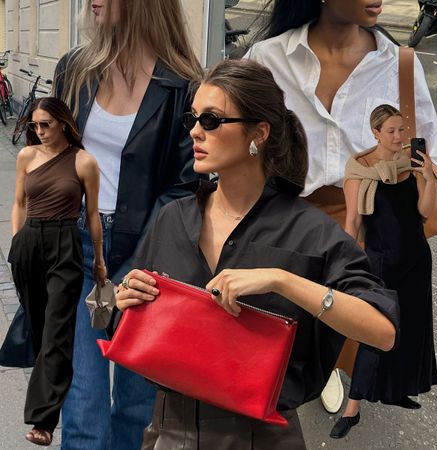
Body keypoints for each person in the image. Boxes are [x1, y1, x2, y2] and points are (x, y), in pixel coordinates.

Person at [114, 59, 398, 450]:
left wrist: (283, 280)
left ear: (258, 133)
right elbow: (127, 318)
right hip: (167, 432)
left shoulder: (308, 232)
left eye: (211, 120)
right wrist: (123, 299)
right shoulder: (173, 219)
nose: (195, 131)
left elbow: (382, 332)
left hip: (260, 438)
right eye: (192, 119)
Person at [245, 0, 437, 413]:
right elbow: (240, 142)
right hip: (288, 222)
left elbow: (433, 146)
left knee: (352, 327)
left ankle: (333, 367)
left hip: (372, 223)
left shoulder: (399, 65)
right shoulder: (268, 59)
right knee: (274, 343)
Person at [52, 1, 203, 449]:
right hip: (79, 247)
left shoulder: (184, 84)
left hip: (150, 261)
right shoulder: (74, 69)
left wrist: (135, 269)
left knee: (138, 409)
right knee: (81, 409)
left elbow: (185, 185)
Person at [329, 104, 437, 438]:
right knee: (375, 335)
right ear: (375, 133)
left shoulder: (411, 165)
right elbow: (352, 224)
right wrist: (344, 266)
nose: (398, 137)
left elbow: (425, 210)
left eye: (401, 130)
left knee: (413, 330)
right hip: (380, 265)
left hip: (416, 260)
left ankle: (397, 391)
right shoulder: (359, 171)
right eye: (390, 131)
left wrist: (428, 176)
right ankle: (353, 408)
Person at [8, 97, 106, 446]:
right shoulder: (27, 157)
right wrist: (16, 245)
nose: (39, 131)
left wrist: (99, 260)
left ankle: (44, 420)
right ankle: (40, 374)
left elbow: (93, 215)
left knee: (56, 332)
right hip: (29, 244)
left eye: (46, 124)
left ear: (64, 123)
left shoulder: (84, 162)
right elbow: (19, 202)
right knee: (39, 328)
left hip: (66, 245)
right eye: (34, 125)